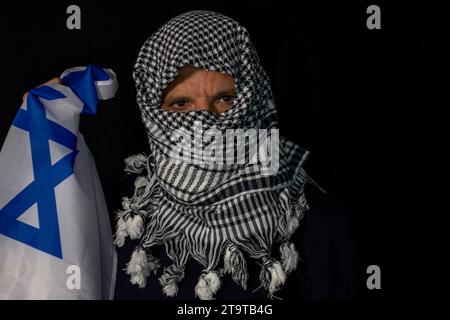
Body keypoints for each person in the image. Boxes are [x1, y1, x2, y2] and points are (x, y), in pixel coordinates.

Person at [25, 10, 364, 300]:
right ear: (152, 111)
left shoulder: (313, 223)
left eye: (225, 99)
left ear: (256, 99)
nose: (203, 122)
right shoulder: (124, 209)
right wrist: (41, 135)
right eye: (180, 103)